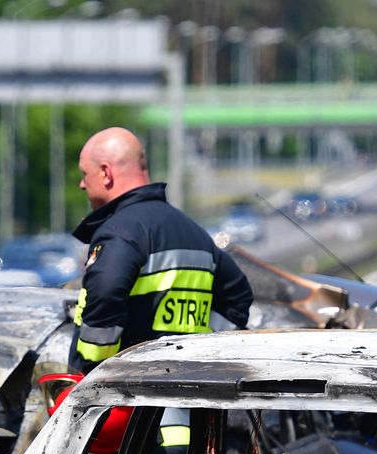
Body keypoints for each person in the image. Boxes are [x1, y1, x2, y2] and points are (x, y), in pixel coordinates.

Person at [69, 127, 253, 374]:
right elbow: (237, 296)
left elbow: (106, 292)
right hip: (189, 391)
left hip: (131, 397)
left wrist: (95, 367)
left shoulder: (120, 231)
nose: (82, 184)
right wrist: (201, 349)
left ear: (105, 173)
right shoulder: (191, 230)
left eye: (84, 174)